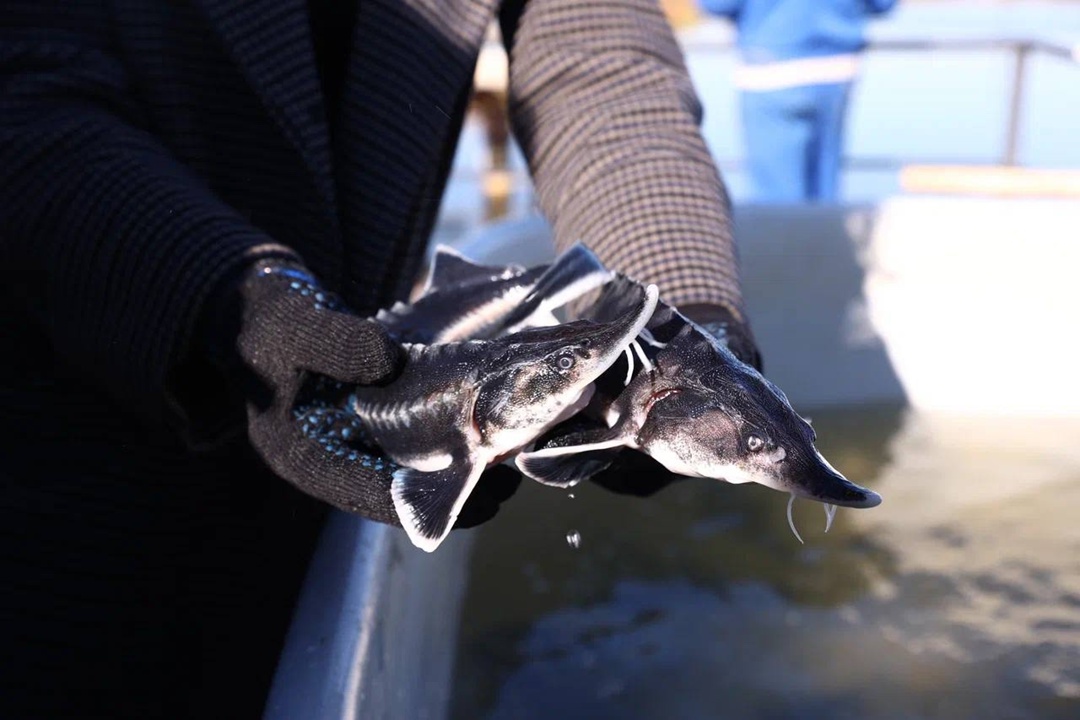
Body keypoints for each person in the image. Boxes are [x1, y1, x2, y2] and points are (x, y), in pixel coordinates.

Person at [0, 0, 761, 715]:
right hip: (64, 445)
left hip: (350, 430)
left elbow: (594, 54)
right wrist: (232, 297)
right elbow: (22, 79)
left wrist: (680, 318)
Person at [700, 0, 898, 202]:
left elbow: (717, 5)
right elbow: (883, 5)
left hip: (769, 71)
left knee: (776, 201)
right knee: (823, 194)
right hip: (836, 72)